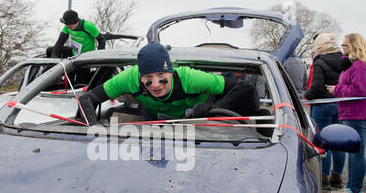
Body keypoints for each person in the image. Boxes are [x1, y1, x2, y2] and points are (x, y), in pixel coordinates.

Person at [77, 43, 259, 125]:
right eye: (148, 77)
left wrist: (212, 108)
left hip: (197, 123)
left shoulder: (190, 78)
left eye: (162, 75)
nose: (155, 83)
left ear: (171, 72)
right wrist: (94, 130)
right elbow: (88, 98)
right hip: (153, 126)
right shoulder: (128, 78)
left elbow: (245, 89)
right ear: (140, 76)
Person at [328, 33, 366, 193]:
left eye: (344, 46)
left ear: (353, 47)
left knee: (357, 153)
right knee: (353, 152)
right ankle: (351, 187)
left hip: (356, 114)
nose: (342, 49)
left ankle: (354, 190)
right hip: (349, 112)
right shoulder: (353, 66)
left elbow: (360, 91)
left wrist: (336, 90)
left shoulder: (359, 67)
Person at [304, 33, 345, 190]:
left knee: (323, 141)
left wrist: (305, 96)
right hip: (341, 104)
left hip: (323, 106)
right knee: (339, 142)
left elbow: (316, 88)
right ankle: (337, 177)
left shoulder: (320, 61)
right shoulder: (343, 60)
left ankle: (324, 178)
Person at [51, 10, 106, 84]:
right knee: (50, 51)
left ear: (75, 22)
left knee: (80, 81)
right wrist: (54, 57)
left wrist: (99, 57)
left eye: (69, 25)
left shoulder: (88, 26)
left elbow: (101, 40)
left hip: (86, 57)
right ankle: (54, 78)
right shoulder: (67, 27)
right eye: (66, 24)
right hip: (74, 54)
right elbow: (60, 42)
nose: (67, 27)